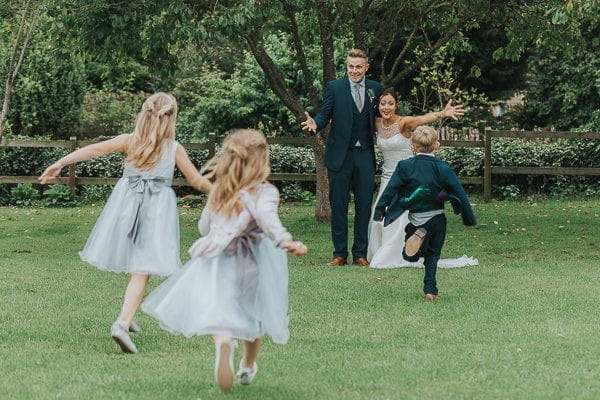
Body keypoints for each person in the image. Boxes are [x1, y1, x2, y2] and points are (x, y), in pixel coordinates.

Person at [38, 92, 211, 353]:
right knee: (143, 268)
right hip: (155, 209)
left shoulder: (129, 141)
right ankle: (121, 324)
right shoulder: (174, 148)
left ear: (144, 114)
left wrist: (60, 163)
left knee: (139, 265)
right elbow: (197, 182)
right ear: (172, 118)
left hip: (126, 205)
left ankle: (129, 318)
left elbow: (92, 150)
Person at [141, 129, 307, 391]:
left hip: (213, 260)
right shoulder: (264, 192)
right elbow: (267, 219)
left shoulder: (221, 189)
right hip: (249, 260)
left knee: (220, 309)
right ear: (261, 160)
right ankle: (248, 364)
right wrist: (285, 241)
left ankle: (223, 342)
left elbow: (204, 227)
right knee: (253, 313)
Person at [367, 89, 477, 269]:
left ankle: (402, 253)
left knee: (400, 219)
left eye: (390, 103)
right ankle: (380, 251)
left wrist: (443, 113)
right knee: (379, 216)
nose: (386, 107)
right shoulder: (377, 123)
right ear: (378, 106)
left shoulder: (404, 123)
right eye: (382, 103)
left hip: (406, 178)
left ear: (396, 105)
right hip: (387, 177)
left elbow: (424, 118)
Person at [373, 126, 477, 300]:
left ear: (413, 146)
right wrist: (468, 219)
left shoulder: (405, 166)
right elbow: (460, 194)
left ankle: (415, 238)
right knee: (433, 255)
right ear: (437, 145)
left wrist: (379, 211)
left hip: (415, 219)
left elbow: (391, 189)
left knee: (411, 256)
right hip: (436, 218)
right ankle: (430, 289)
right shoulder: (443, 168)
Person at [301, 48, 383, 267]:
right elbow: (324, 113)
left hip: (365, 155)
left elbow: (384, 117)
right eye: (350, 66)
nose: (354, 71)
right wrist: (314, 124)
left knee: (364, 205)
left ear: (366, 67)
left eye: (358, 66)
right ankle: (339, 254)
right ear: (346, 66)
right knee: (338, 205)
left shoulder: (376, 89)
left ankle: (360, 254)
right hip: (340, 156)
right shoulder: (335, 88)